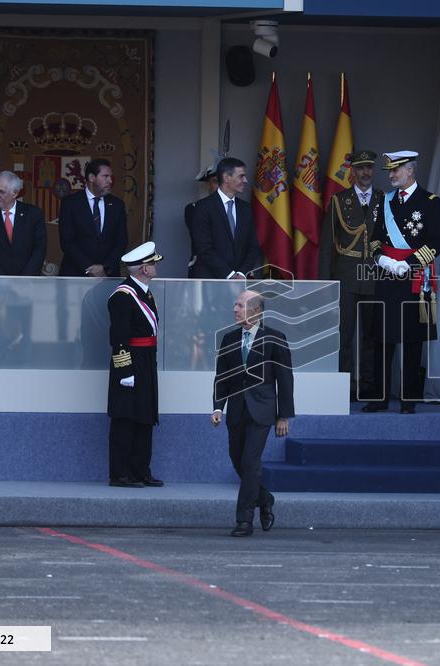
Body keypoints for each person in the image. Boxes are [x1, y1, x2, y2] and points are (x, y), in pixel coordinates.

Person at [363, 150, 440, 415]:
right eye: (390, 171)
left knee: (411, 339)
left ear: (410, 170)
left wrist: (408, 264)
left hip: (415, 277)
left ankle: (409, 399)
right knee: (382, 339)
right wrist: (382, 260)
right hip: (387, 277)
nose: (391, 175)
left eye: (396, 170)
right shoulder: (383, 201)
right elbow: (374, 238)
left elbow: (438, 241)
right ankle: (379, 397)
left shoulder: (430, 201)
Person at [211, 290, 294, 537]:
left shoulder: (275, 338)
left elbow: (285, 379)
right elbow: (221, 377)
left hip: (263, 410)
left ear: (256, 311)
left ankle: (244, 520)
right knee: (237, 459)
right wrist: (217, 407)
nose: (235, 309)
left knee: (250, 462)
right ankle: (265, 498)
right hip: (236, 410)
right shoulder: (228, 339)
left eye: (240, 305)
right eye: (235, 304)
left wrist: (284, 415)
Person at [317, 150, 382, 401]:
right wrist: (326, 282)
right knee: (344, 334)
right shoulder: (338, 200)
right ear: (352, 171)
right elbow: (326, 245)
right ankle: (343, 386)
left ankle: (368, 385)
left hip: (375, 274)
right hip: (346, 274)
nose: (366, 173)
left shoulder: (383, 199)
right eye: (361, 168)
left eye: (369, 168)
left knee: (372, 334)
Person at [107, 241, 164, 489]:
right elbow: (118, 337)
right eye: (152, 263)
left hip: (146, 361)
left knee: (145, 417)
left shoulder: (145, 292)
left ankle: (141, 470)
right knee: (125, 419)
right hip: (130, 363)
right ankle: (120, 473)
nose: (155, 266)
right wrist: (125, 370)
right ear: (144, 269)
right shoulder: (123, 295)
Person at [190, 157, 263, 280]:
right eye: (241, 176)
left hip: (241, 281)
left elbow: (253, 246)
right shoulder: (203, 207)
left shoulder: (246, 209)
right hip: (211, 281)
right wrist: (229, 274)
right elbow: (203, 248)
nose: (245, 180)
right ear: (226, 177)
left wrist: (241, 273)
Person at [58, 158, 128, 278]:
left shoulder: (117, 205)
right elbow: (67, 242)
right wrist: (88, 267)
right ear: (91, 178)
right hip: (76, 273)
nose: (110, 181)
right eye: (105, 176)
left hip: (108, 275)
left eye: (110, 177)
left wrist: (105, 267)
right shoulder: (70, 203)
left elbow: (121, 241)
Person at [0, 171, 47, 275]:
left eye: (1, 192)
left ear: (15, 193)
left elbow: (40, 248)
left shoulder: (33, 214)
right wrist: (1, 280)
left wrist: (25, 278)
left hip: (27, 282)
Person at [185, 162, 220, 278]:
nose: (220, 185)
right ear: (208, 185)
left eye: (223, 181)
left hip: (233, 269)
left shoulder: (241, 209)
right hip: (203, 268)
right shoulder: (193, 209)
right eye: (215, 181)